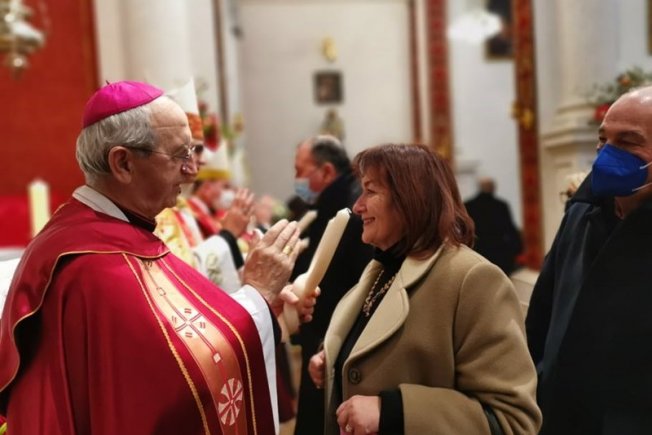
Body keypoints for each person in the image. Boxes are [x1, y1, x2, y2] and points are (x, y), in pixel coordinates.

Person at [0, 81, 301, 434]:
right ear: (123, 163)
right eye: (179, 155)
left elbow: (174, 332)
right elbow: (172, 381)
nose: (192, 170)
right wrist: (257, 298)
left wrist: (261, 307)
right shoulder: (96, 264)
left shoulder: (112, 233)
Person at [309, 144, 541, 434]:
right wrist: (334, 355)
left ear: (409, 198)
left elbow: (512, 420)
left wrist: (393, 411)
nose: (357, 206)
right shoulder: (382, 268)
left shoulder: (473, 278)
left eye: (370, 191)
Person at [526, 86, 652, 434]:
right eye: (603, 139)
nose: (607, 152)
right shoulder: (582, 212)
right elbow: (543, 314)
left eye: (627, 142)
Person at [291, 135, 374, 435]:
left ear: (326, 171)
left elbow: (362, 282)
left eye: (300, 170)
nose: (296, 179)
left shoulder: (351, 209)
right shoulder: (325, 203)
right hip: (322, 335)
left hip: (335, 338)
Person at [464, 177, 523, 275]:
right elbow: (509, 229)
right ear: (493, 188)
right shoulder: (501, 205)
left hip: (477, 251)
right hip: (498, 252)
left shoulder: (468, 205)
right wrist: (517, 248)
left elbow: (465, 230)